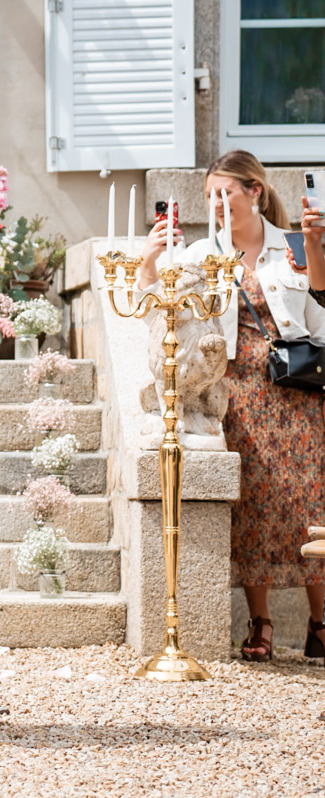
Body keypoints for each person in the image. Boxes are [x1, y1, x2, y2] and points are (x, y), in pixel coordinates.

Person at [138, 150, 325, 663]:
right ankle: (260, 622)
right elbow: (159, 307)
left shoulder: (291, 246)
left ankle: (320, 623)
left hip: (296, 394)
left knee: (309, 506)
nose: (217, 204)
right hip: (237, 394)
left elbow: (320, 309)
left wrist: (313, 249)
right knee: (252, 509)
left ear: (255, 192)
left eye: (226, 192)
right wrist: (152, 260)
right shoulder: (199, 254)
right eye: (209, 196)